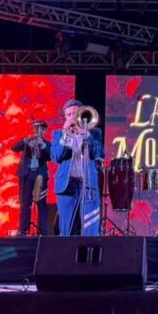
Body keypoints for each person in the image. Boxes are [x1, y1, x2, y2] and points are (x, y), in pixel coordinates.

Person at [51, 100, 104, 236]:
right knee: (66, 231)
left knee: (91, 229)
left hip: (89, 185)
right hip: (67, 186)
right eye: (68, 115)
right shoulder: (58, 134)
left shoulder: (94, 133)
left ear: (82, 114)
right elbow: (56, 157)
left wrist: (85, 133)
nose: (72, 118)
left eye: (75, 114)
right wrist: (65, 136)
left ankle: (90, 251)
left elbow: (97, 154)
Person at [12, 121, 50, 235]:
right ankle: (23, 231)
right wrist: (25, 140)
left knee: (42, 204)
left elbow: (52, 155)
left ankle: (43, 232)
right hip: (27, 175)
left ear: (45, 131)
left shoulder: (46, 143)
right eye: (37, 128)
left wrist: (42, 145)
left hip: (40, 176)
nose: (40, 131)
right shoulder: (27, 141)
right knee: (25, 203)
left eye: (42, 129)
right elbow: (14, 148)